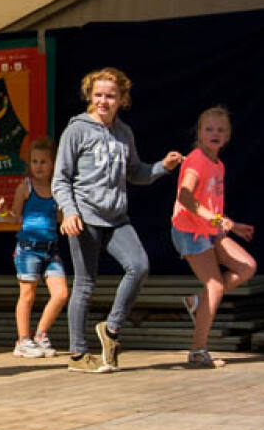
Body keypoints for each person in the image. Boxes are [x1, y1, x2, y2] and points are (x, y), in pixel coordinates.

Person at [53, 67, 182, 373]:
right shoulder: (77, 131)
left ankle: (110, 330)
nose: (103, 101)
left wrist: (162, 167)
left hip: (116, 218)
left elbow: (136, 172)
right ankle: (77, 355)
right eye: (98, 95)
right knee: (85, 284)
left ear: (122, 99)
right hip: (85, 217)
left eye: (110, 96)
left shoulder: (124, 133)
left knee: (139, 266)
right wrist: (69, 211)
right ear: (89, 96)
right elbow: (61, 179)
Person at [171, 107, 257, 368]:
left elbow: (209, 202)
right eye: (209, 129)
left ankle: (199, 302)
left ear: (228, 135)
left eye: (221, 130)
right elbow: (185, 196)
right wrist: (217, 220)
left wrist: (232, 225)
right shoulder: (196, 160)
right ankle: (198, 350)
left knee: (246, 267)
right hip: (189, 231)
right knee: (215, 286)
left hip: (210, 228)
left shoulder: (218, 165)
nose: (215, 134)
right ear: (199, 133)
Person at [0, 135, 67, 358]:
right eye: (34, 161)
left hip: (51, 249)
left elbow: (61, 218)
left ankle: (41, 334)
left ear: (53, 163)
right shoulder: (25, 187)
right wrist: (2, 212)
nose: (38, 166)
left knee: (61, 294)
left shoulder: (58, 188)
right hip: (28, 249)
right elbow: (14, 218)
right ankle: (23, 340)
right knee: (27, 294)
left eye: (43, 162)